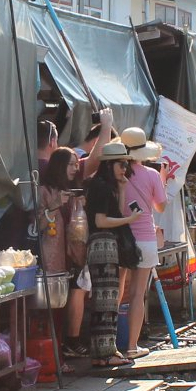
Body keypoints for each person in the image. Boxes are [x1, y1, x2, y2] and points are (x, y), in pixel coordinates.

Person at [83, 141, 137, 368]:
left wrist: (123, 189)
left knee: (105, 299)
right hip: (103, 244)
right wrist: (129, 220)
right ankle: (106, 352)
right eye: (121, 164)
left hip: (102, 244)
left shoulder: (102, 185)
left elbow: (113, 211)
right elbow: (101, 220)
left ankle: (102, 351)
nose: (124, 168)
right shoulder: (102, 187)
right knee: (107, 299)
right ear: (110, 164)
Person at [114, 128, 167, 358]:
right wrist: (162, 180)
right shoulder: (151, 175)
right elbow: (160, 206)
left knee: (116, 291)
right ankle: (132, 347)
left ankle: (111, 345)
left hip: (119, 238)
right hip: (144, 238)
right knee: (137, 294)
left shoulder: (116, 174)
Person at [38, 147, 88, 357]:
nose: (76, 169)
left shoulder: (74, 190)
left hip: (73, 254)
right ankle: (54, 354)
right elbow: (36, 225)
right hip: (52, 257)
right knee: (53, 307)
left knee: (73, 298)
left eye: (77, 164)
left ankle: (67, 346)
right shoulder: (45, 191)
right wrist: (56, 205)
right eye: (71, 164)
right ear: (59, 165)